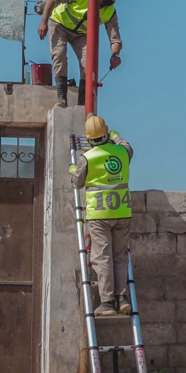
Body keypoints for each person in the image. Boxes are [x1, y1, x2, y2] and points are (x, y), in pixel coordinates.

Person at [70, 115, 133, 316]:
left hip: (99, 214)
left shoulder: (87, 157)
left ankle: (106, 302)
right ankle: (122, 299)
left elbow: (77, 182)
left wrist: (73, 168)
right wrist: (116, 136)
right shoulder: (123, 152)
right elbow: (127, 145)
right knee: (120, 257)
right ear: (106, 133)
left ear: (89, 138)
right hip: (122, 211)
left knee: (102, 257)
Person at [36, 0, 126, 108]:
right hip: (60, 24)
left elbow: (115, 39)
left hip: (81, 33)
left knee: (88, 63)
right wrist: (43, 21)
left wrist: (115, 54)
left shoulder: (110, 13)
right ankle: (62, 98)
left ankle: (83, 104)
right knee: (59, 55)